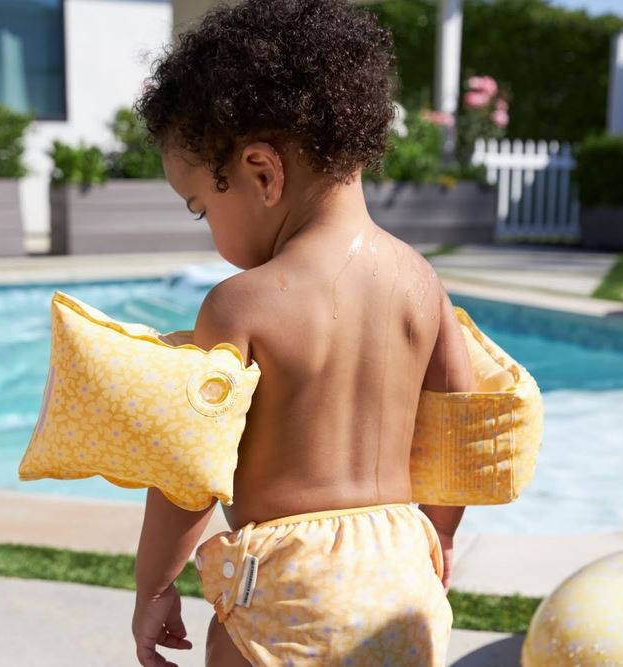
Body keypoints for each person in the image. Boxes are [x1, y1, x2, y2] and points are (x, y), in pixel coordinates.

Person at [131, 1, 475, 665]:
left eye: (202, 207)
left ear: (262, 173)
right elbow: (457, 425)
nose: (207, 227)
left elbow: (188, 471)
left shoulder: (238, 306)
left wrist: (154, 586)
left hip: (289, 589)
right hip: (403, 575)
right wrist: (441, 534)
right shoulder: (421, 281)